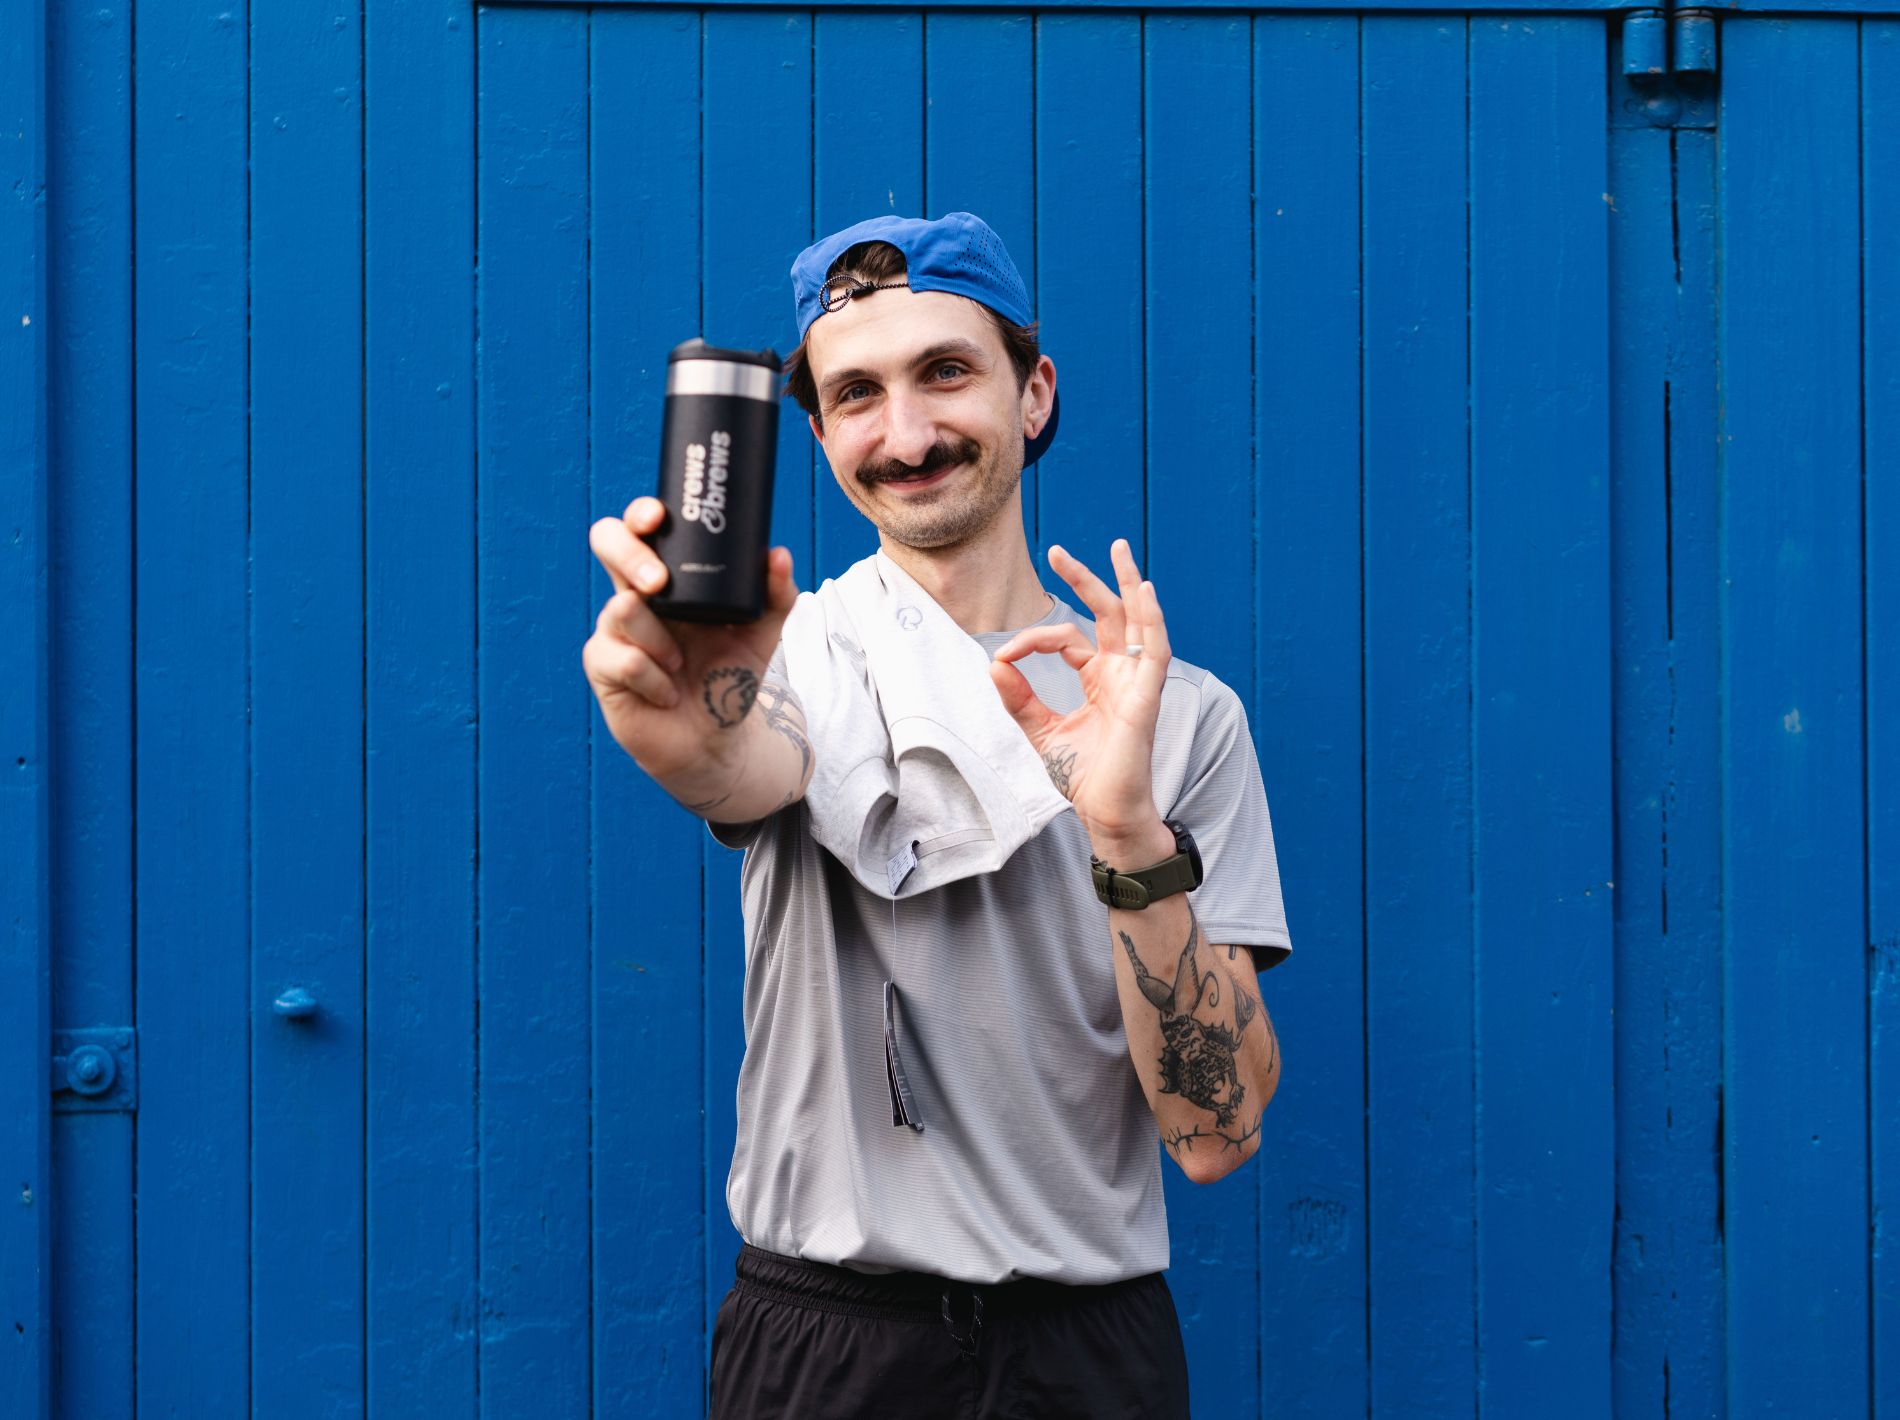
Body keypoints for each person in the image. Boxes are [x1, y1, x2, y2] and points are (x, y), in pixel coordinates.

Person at [584, 212, 1292, 1419]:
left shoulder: (1179, 714)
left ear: (1033, 392)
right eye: (856, 394)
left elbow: (1212, 1133)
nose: (906, 435)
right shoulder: (784, 654)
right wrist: (696, 738)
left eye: (946, 372)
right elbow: (745, 762)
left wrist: (1128, 834)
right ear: (818, 435)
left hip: (1090, 1352)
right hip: (826, 1346)